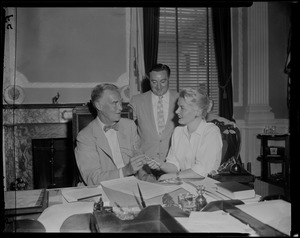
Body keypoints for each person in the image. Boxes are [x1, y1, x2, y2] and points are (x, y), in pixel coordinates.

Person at [74, 83, 148, 185]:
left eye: (121, 103)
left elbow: (140, 163)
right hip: (103, 190)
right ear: (99, 105)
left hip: (132, 186)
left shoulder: (129, 126)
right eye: (115, 103)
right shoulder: (85, 137)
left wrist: (147, 178)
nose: (121, 108)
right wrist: (125, 171)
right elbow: (92, 179)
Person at [147, 87, 223, 181]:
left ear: (198, 111)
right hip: (184, 185)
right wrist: (162, 165)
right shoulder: (178, 132)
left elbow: (202, 170)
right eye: (178, 106)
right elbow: (174, 165)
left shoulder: (211, 132)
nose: (176, 111)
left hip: (205, 188)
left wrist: (172, 176)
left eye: (182, 108)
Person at [129, 63, 179, 179]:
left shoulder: (180, 99)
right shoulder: (137, 101)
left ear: (168, 79)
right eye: (154, 82)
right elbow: (127, 131)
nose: (159, 87)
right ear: (149, 81)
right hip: (146, 166)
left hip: (173, 165)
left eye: (163, 81)